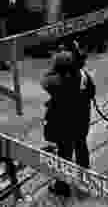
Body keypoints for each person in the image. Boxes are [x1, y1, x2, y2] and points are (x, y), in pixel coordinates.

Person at [41, 51, 81, 197]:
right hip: (73, 120)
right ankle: (63, 184)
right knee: (67, 153)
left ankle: (62, 187)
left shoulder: (56, 81)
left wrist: (54, 67)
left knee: (62, 156)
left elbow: (44, 80)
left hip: (59, 123)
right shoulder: (77, 77)